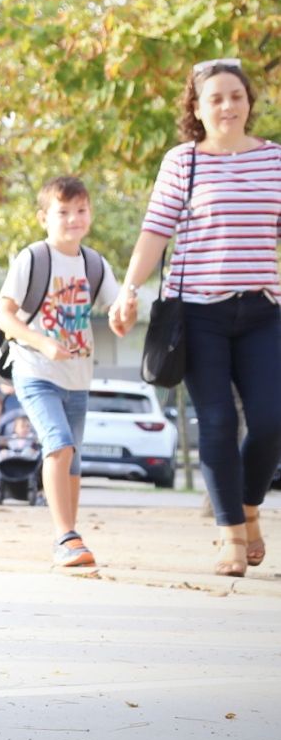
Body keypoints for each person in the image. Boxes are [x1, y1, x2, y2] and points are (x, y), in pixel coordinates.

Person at [110, 58, 281, 577]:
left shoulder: (274, 160)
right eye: (215, 98)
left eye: (236, 95)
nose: (228, 106)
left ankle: (250, 506)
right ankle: (232, 534)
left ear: (249, 102)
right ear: (197, 108)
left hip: (262, 310)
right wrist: (128, 290)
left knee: (273, 421)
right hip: (197, 314)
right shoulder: (184, 162)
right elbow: (156, 231)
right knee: (218, 420)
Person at [0, 175, 118, 568]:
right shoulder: (33, 258)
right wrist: (42, 342)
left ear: (90, 215)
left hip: (78, 377)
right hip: (34, 370)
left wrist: (125, 312)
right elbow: (3, 315)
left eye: (80, 210)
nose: (73, 219)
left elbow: (117, 315)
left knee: (73, 460)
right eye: (62, 212)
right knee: (59, 443)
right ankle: (67, 537)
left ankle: (67, 536)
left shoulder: (95, 264)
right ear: (43, 217)